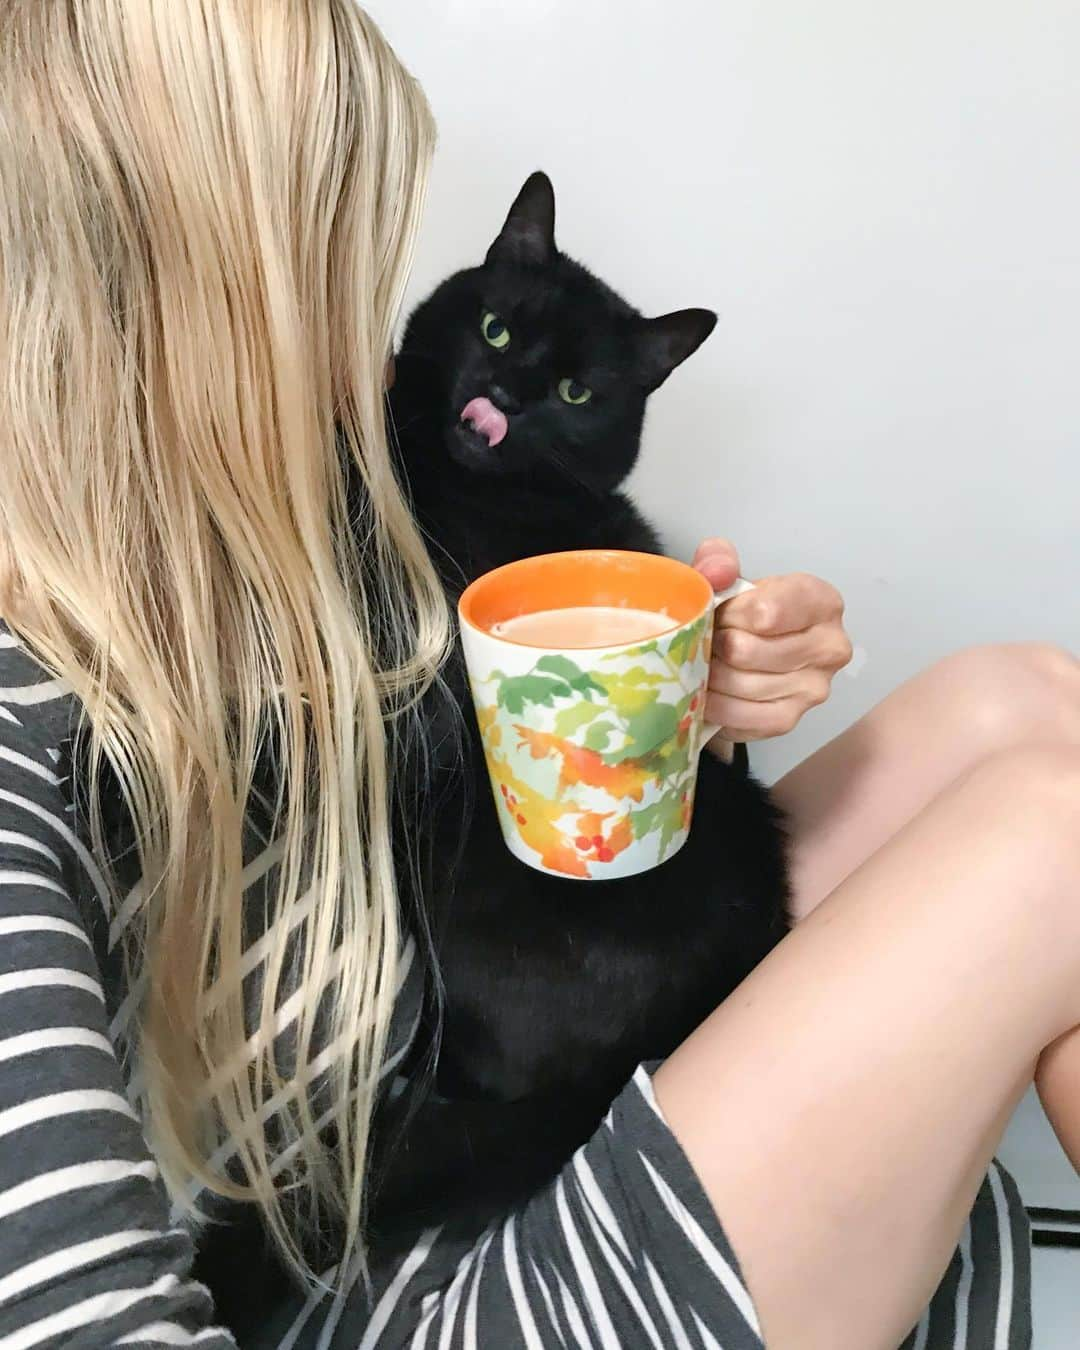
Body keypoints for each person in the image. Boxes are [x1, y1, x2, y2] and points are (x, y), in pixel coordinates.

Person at [0, 3, 1076, 1347]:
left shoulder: (275, 534)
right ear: (194, 301)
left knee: (1021, 704)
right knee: (1057, 841)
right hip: (361, 1275)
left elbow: (465, 877)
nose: (379, 347)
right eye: (335, 277)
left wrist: (678, 725)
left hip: (419, 1121)